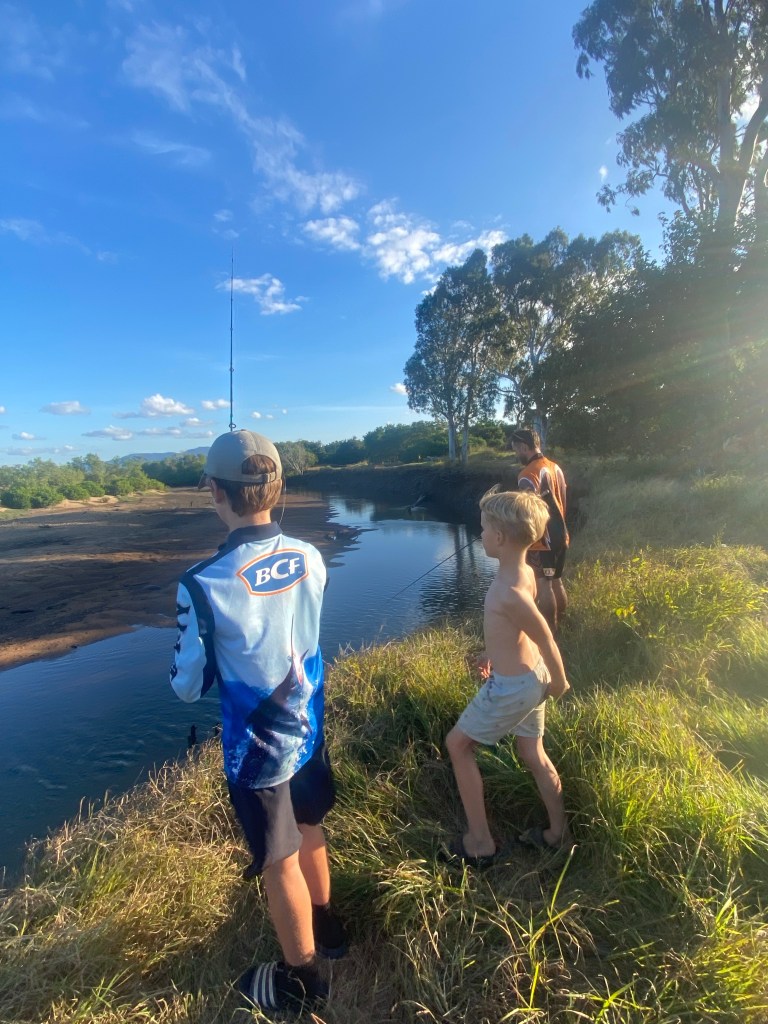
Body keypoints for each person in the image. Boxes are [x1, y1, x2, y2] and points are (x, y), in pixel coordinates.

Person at [170, 429, 346, 1014]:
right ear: (279, 486)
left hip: (258, 754)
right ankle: (329, 926)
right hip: (310, 730)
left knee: (279, 861)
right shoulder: (312, 556)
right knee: (311, 824)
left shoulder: (202, 582)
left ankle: (302, 980)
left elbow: (187, 686)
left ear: (214, 492)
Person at [443, 487, 572, 867]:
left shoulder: (508, 591)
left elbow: (545, 637)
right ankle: (558, 835)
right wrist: (493, 654)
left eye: (483, 528)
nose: (480, 534)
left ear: (499, 537)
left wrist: (560, 682)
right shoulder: (525, 573)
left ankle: (480, 842)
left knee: (457, 745)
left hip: (514, 687)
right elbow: (518, 633)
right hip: (529, 677)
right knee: (532, 752)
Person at [510, 428, 569, 633]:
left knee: (544, 584)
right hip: (561, 535)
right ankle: (562, 625)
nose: (516, 454)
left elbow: (528, 512)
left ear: (523, 447)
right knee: (556, 581)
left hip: (543, 541)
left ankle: (551, 632)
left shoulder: (527, 474)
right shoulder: (555, 467)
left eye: (516, 449)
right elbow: (562, 500)